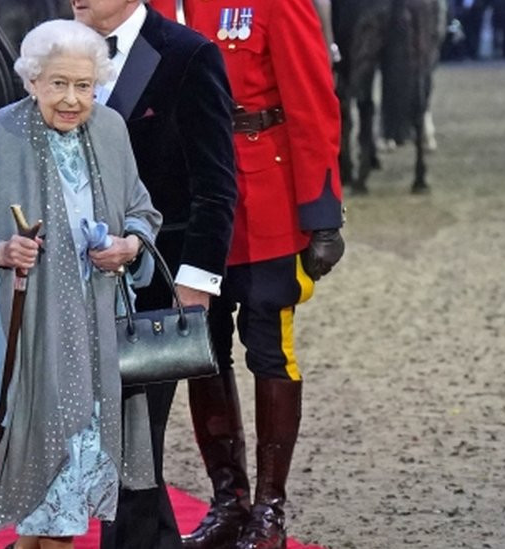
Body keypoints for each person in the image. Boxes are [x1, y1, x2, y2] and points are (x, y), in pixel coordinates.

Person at [0, 19, 162, 549]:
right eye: (58, 84)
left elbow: (142, 212)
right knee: (51, 503)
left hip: (96, 337)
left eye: (83, 86)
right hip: (29, 337)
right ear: (32, 80)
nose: (71, 99)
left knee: (58, 511)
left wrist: (129, 246)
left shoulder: (110, 130)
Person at [150, 0, 344, 548]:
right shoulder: (154, 6)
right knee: (201, 351)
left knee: (269, 349)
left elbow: (311, 98)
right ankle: (227, 503)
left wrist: (322, 211)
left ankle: (269, 510)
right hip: (185, 202)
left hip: (262, 199)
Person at [71, 1, 238, 548]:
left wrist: (196, 286)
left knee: (133, 443)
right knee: (119, 442)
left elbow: (216, 186)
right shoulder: (55, 49)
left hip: (157, 289)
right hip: (71, 285)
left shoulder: (190, 56)